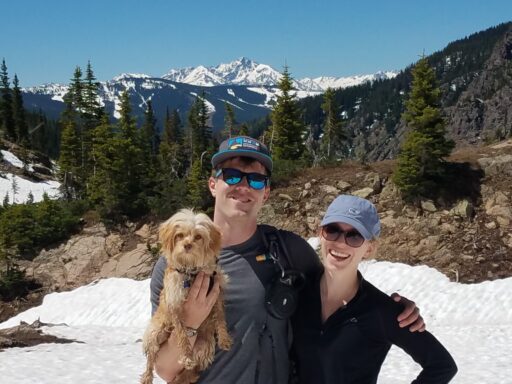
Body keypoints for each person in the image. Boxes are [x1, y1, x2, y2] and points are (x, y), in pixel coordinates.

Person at [149, 136, 425, 384]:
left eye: (255, 180)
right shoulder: (176, 265)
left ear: (265, 193)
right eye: (232, 176)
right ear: (213, 185)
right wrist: (189, 323)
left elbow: (338, 292)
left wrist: (394, 310)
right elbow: (164, 370)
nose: (243, 186)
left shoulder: (287, 250)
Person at [291, 195, 457, 383]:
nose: (340, 242)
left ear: (369, 249)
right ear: (321, 234)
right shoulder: (298, 293)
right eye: (332, 230)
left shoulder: (381, 311)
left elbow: (442, 365)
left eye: (354, 236)